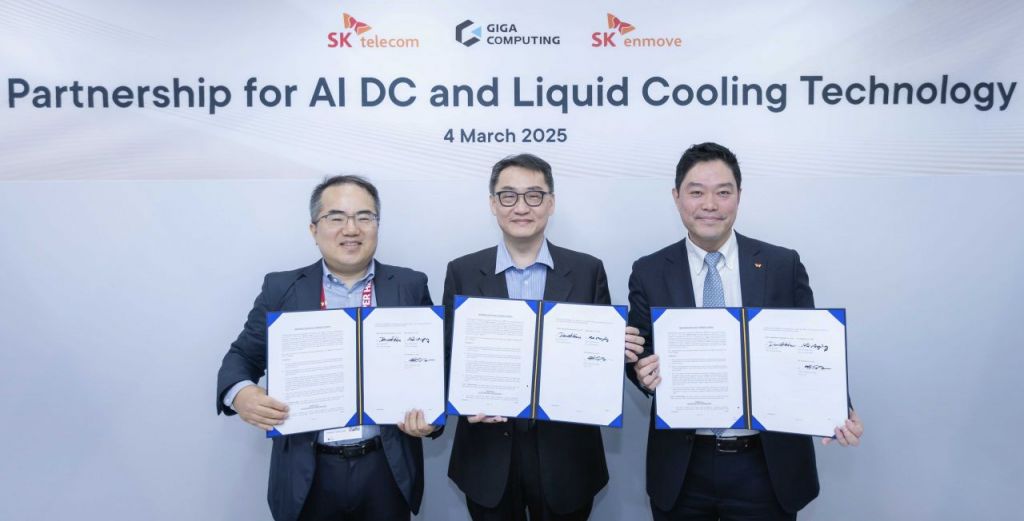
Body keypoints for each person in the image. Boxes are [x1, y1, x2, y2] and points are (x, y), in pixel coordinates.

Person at [624, 142, 864, 520]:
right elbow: (638, 351)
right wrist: (641, 373)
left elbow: (811, 347)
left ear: (739, 196)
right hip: (684, 466)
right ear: (676, 197)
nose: (710, 204)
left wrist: (837, 407)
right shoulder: (649, 271)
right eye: (696, 192)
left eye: (723, 192)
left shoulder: (781, 265)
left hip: (766, 465)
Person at [216, 175, 439, 521]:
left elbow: (433, 365)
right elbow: (241, 357)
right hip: (309, 470)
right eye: (336, 218)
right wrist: (241, 395)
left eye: (364, 217)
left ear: (377, 225)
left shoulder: (409, 284)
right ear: (313, 229)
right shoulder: (281, 288)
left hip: (385, 467)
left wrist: (432, 419)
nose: (351, 229)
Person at [443, 153, 630, 521]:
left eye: (534, 195)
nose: (521, 207)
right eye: (508, 196)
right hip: (487, 457)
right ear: (493, 204)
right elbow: (449, 356)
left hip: (567, 457)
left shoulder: (588, 270)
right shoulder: (462, 271)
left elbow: (598, 365)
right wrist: (464, 398)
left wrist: (613, 353)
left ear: (551, 203)